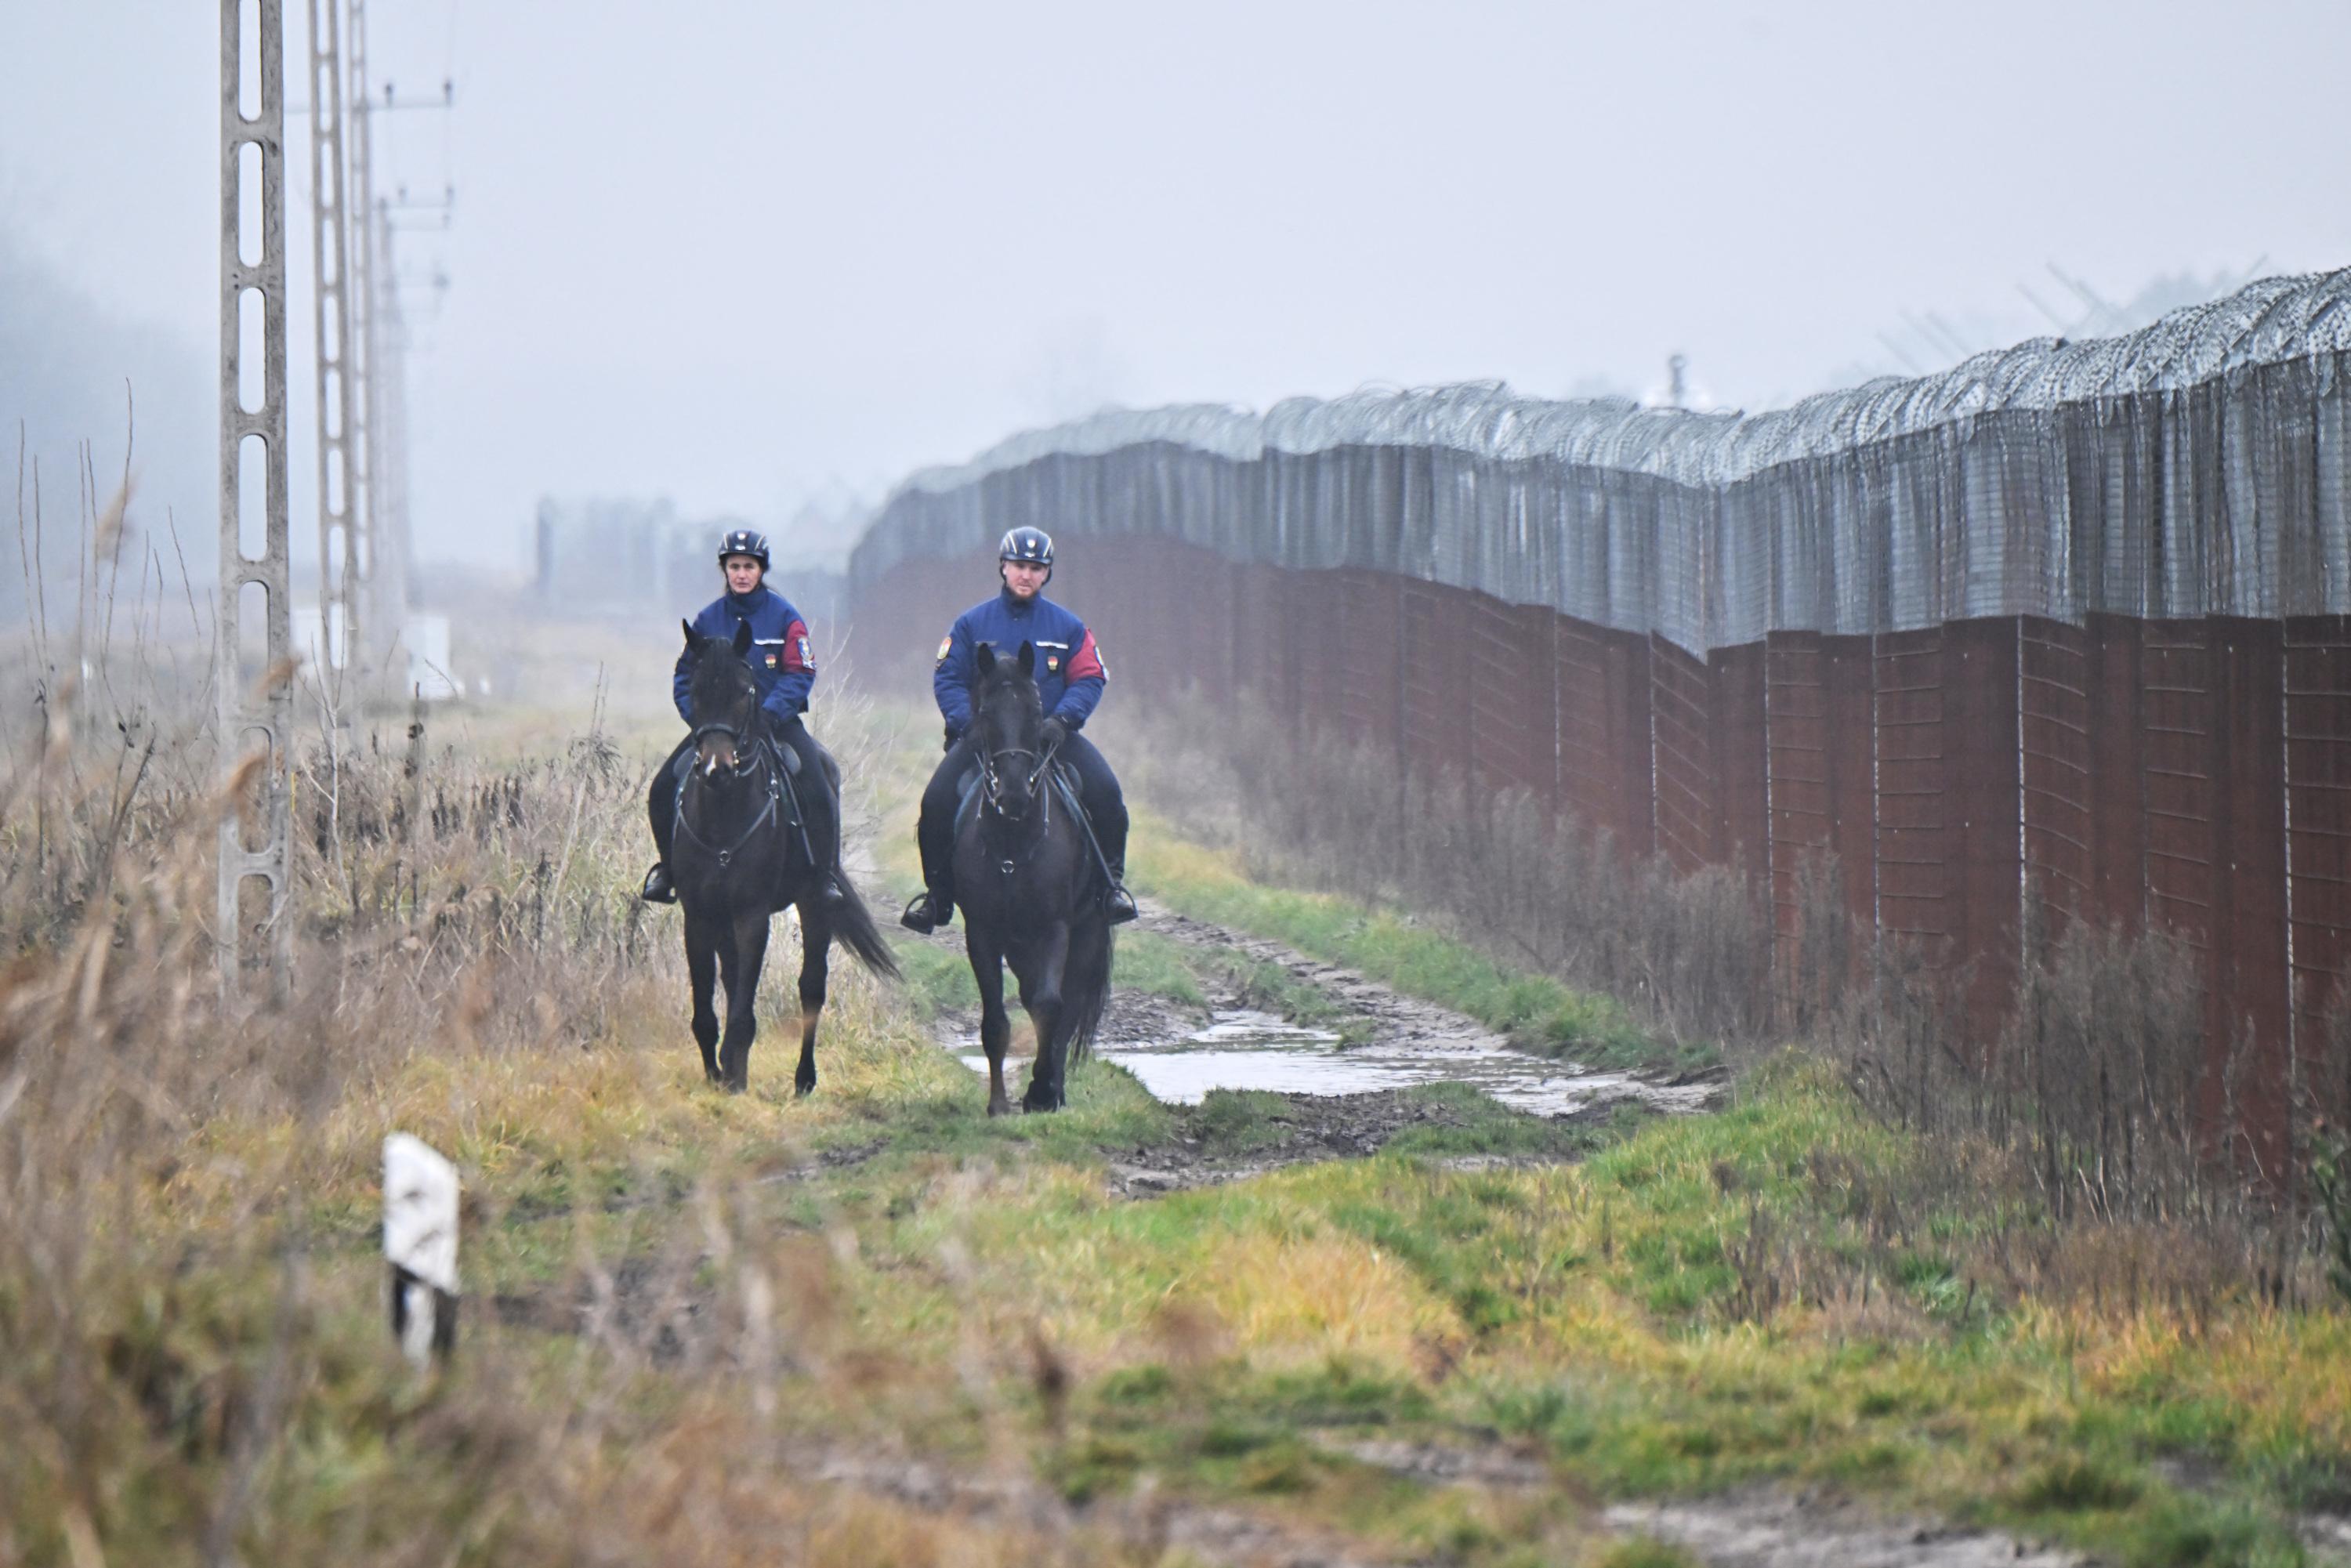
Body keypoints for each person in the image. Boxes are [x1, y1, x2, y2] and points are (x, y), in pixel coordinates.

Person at [900, 527, 1136, 933]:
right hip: (985, 742)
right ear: (1003, 568)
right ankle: (937, 897)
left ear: (1046, 574)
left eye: (1035, 568)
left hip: (1050, 740)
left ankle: (1109, 887)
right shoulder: (971, 624)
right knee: (936, 802)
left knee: (1107, 794)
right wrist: (967, 724)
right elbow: (948, 679)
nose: (1025, 575)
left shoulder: (1069, 627)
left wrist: (1063, 721)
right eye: (1018, 566)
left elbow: (1090, 677)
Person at [641, 527, 841, 906]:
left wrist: (769, 713)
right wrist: (700, 723)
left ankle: (825, 875)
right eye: (734, 566)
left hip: (775, 725)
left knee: (818, 784)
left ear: (761, 570)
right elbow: (685, 677)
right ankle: (668, 870)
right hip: (718, 731)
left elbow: (800, 672)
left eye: (749, 566)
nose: (742, 573)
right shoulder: (706, 620)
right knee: (663, 787)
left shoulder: (786, 619)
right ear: (725, 570)